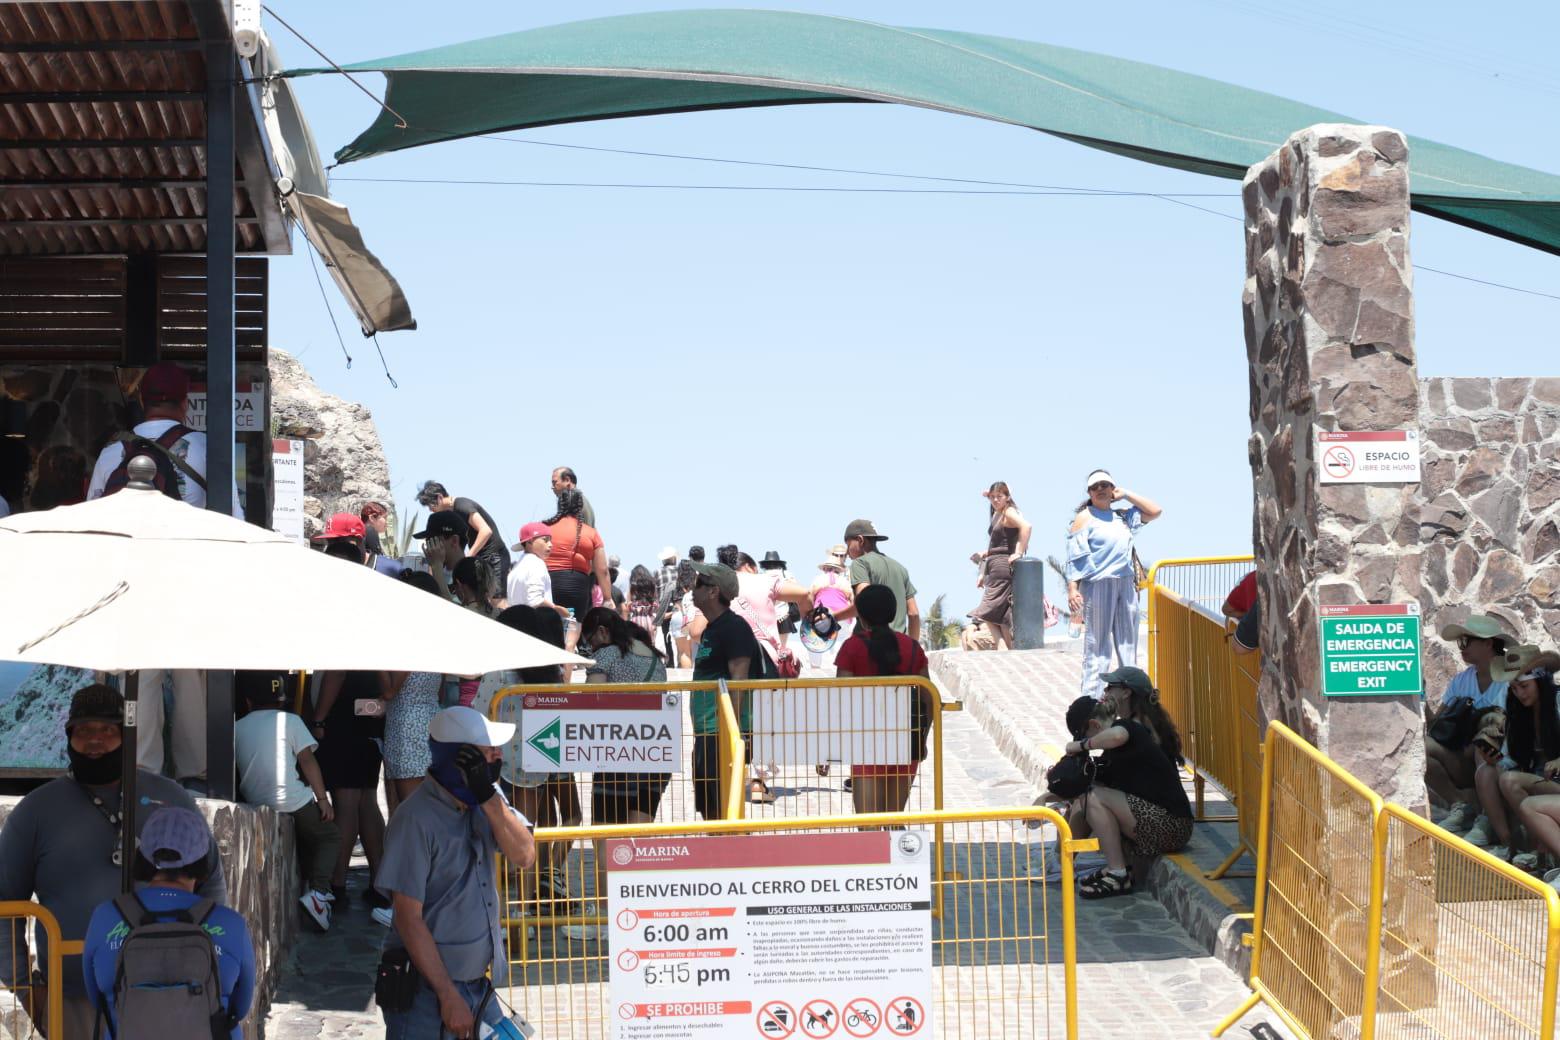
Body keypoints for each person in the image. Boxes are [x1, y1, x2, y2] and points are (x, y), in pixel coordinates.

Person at [0, 684, 225, 1036]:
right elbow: (4, 904)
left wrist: (213, 964)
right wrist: (28, 990)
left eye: (107, 730)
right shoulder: (36, 812)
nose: (95, 740)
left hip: (171, 997)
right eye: (84, 731)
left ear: (127, 735)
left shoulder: (170, 797)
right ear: (69, 736)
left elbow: (210, 878)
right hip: (71, 1003)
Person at [376, 706, 536, 1039]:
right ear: (459, 757)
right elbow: (408, 918)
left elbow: (525, 855)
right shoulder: (415, 820)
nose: (497, 754)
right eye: (487, 748)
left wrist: (489, 797)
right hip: (428, 993)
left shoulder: (486, 800)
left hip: (479, 988)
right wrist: (447, 994)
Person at [82, 807, 254, 1040]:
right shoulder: (231, 925)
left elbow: (96, 998)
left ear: (144, 858)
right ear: (203, 862)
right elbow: (240, 1008)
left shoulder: (105, 917)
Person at [570, 607, 671, 940]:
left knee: (605, 838)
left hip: (615, 754)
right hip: (654, 754)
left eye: (589, 641)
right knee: (636, 838)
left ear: (601, 632)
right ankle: (635, 915)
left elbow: (591, 702)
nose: (590, 649)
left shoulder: (608, 656)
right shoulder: (655, 657)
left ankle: (602, 919)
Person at [234, 670, 342, 932]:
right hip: (292, 800)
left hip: (256, 802)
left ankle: (307, 890)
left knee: (303, 841)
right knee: (329, 836)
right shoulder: (290, 721)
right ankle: (319, 893)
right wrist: (322, 798)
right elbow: (307, 761)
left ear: (248, 701)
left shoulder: (237, 726)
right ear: (282, 700)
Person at [1062, 692, 1193, 899]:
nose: (1088, 742)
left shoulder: (1128, 728)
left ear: (1095, 725)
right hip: (1155, 822)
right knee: (1084, 797)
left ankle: (1118, 874)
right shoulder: (1111, 755)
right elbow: (1081, 783)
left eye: (1086, 735)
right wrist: (1046, 799)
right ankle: (1061, 863)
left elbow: (1117, 736)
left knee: (1092, 797)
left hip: (1173, 825)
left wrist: (1081, 745)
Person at [86, 361, 238, 513]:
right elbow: (234, 516)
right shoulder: (207, 449)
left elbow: (92, 517)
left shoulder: (110, 452)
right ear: (185, 403)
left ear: (141, 401)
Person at [1064, 470, 1163, 699]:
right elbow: (1074, 556)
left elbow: (1155, 511)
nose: (1101, 489)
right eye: (1095, 486)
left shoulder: (1123, 516)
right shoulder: (1084, 518)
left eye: (1105, 485)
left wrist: (1126, 494)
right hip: (1098, 584)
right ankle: (1092, 701)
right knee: (1097, 648)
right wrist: (1073, 589)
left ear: (1112, 489)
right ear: (1089, 492)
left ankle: (1133, 699)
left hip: (1125, 584)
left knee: (1128, 645)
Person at [835, 585, 932, 816]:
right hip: (905, 741)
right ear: (892, 612)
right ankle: (896, 852)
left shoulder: (852, 647)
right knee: (893, 817)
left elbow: (840, 699)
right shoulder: (912, 647)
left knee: (868, 825)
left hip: (865, 740)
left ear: (861, 614)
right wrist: (923, 739)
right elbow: (929, 699)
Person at [308, 670, 389, 912]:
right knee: (366, 801)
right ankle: (379, 884)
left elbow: (337, 672)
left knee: (347, 802)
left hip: (342, 721)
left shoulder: (341, 635)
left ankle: (337, 886)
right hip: (368, 718)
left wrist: (319, 719)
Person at [1472, 648, 1560, 863]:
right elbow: (1512, 758)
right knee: (1487, 772)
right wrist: (1497, 759)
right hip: (1538, 776)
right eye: (1514, 688)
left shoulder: (1557, 701)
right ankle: (1509, 845)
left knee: (1510, 780)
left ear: (1540, 681)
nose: (1520, 694)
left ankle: (1538, 850)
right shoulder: (1518, 710)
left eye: (1524, 686)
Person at [1427, 614, 1512, 835]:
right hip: (1465, 759)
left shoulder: (1511, 680)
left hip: (1503, 760)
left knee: (1481, 745)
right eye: (1460, 642)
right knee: (1423, 747)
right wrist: (1420, 698)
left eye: (1467, 641)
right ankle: (1462, 804)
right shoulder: (1461, 680)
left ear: (1488, 643)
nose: (1461, 647)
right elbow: (1437, 725)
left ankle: (1487, 818)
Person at [689, 563, 759, 821]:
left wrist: (734, 735)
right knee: (709, 806)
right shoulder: (712, 628)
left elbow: (739, 680)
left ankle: (729, 855)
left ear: (712, 591)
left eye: (698, 584)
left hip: (721, 732)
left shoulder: (734, 627)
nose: (692, 590)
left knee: (722, 806)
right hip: (706, 729)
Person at [383, 571, 448, 806]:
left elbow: (390, 690)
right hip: (431, 721)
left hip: (406, 727)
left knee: (410, 810)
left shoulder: (408, 638)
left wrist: (377, 661)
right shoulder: (437, 637)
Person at [969, 481, 1033, 650]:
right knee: (1002, 615)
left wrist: (1018, 552)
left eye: (999, 496)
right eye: (992, 497)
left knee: (986, 610)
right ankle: (1007, 650)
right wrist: (984, 557)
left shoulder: (1009, 512)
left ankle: (1001, 647)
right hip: (995, 564)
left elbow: (1026, 526)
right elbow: (998, 543)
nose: (995, 500)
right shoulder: (998, 512)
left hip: (1003, 566)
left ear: (1007, 497)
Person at [415, 480, 511, 591]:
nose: (431, 510)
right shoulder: (453, 513)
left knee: (496, 599)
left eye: (430, 505)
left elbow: (485, 531)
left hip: (495, 556)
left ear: (439, 497)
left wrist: (468, 557)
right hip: (481, 557)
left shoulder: (462, 506)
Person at [543, 487, 613, 629]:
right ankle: (569, 648)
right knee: (572, 627)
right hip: (576, 586)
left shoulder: (544, 528)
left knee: (548, 627)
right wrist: (607, 598)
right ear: (580, 507)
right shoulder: (590, 533)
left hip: (547, 582)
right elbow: (602, 570)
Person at [839, 520, 920, 642]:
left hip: (872, 647)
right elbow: (914, 614)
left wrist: (834, 617)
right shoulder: (900, 568)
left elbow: (865, 602)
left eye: (848, 544)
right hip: (899, 648)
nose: (846, 551)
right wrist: (913, 648)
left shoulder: (860, 563)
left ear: (860, 540)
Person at [1097, 666, 1185, 763]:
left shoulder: (1133, 725)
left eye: (1110, 686)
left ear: (1126, 693)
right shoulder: (1146, 721)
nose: (1105, 690)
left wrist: (1082, 745)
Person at [806, 549, 855, 668]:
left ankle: (815, 665)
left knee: (815, 638)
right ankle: (836, 665)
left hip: (822, 613)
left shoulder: (818, 579)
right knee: (840, 640)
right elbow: (852, 599)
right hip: (842, 613)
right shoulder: (844, 581)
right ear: (839, 569)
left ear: (824, 569)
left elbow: (809, 597)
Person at [414, 510, 470, 600]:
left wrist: (436, 566)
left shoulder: (473, 575)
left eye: (433, 540)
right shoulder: (437, 571)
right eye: (427, 541)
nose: (429, 546)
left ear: (454, 541)